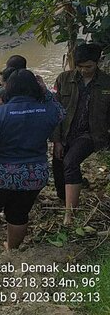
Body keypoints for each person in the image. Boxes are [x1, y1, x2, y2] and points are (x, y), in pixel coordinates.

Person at [0, 69, 65, 251]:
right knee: (19, 213)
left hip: (0, 174)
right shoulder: (48, 110)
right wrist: (45, 91)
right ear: (35, 87)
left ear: (9, 89)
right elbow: (61, 111)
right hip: (34, 174)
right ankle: (12, 248)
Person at [52, 43, 110, 225]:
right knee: (59, 165)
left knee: (70, 162)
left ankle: (70, 214)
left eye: (89, 67)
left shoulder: (107, 83)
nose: (84, 71)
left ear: (97, 62)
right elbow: (55, 111)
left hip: (91, 133)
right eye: (80, 66)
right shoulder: (63, 79)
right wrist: (57, 140)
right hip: (66, 131)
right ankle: (64, 200)